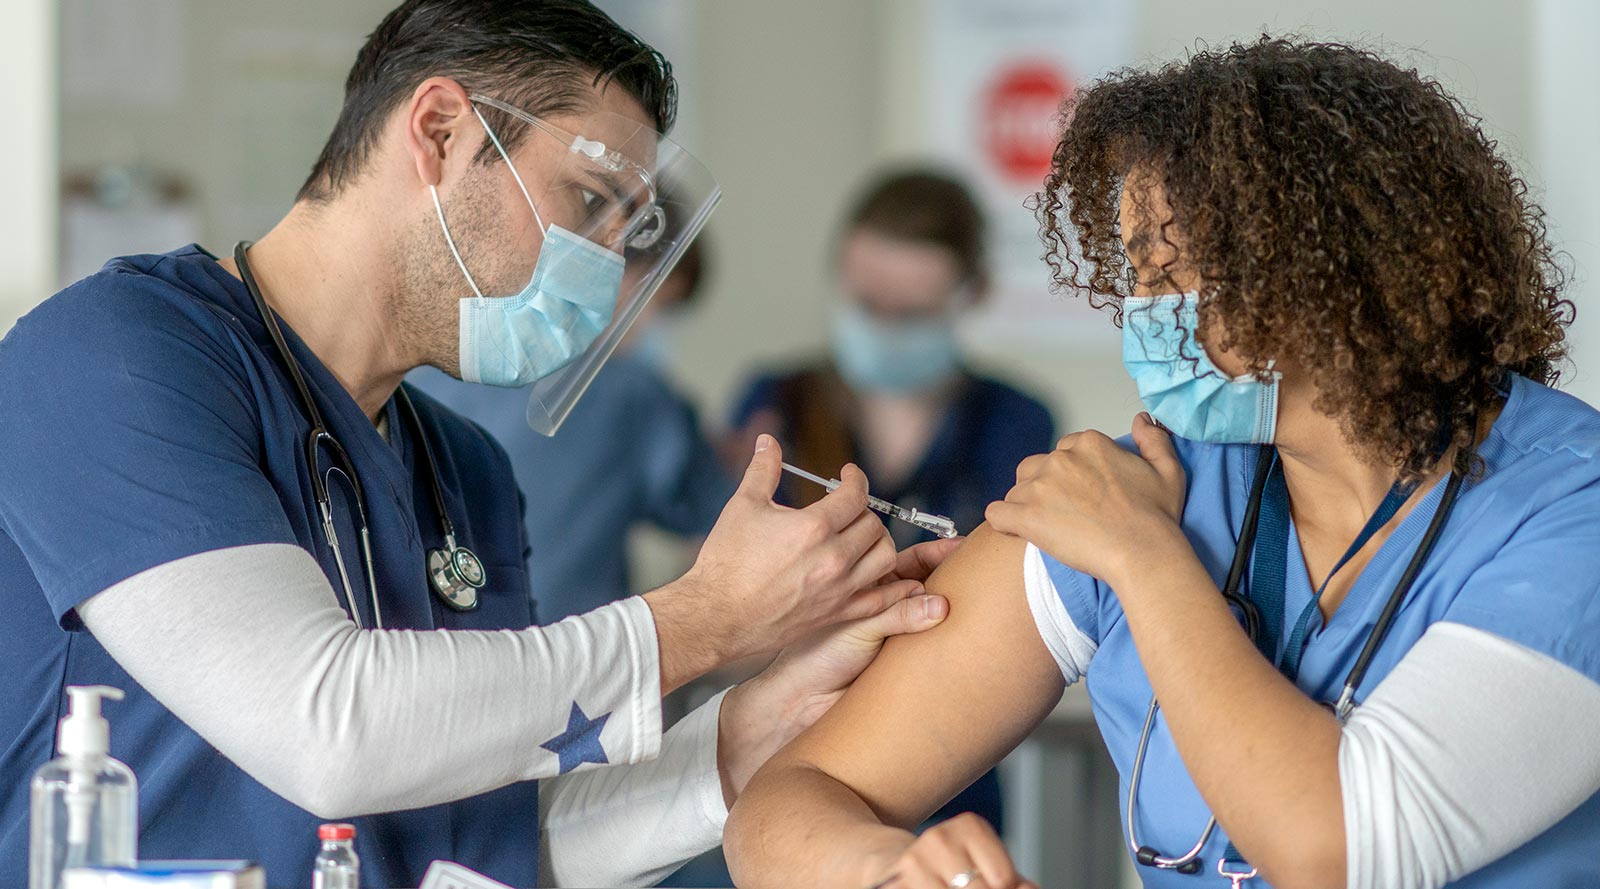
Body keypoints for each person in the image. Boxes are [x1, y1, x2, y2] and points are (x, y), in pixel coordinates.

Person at [0, 3, 961, 887]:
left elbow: (481, 849)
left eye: (627, 232)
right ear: (442, 133)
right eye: (588, 202)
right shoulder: (113, 355)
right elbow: (327, 727)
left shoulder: (464, 472)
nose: (600, 269)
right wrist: (703, 618)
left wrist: (749, 730)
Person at [726, 38, 1600, 889]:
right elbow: (785, 809)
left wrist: (1145, 559)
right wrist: (894, 870)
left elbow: (1341, 851)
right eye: (1137, 274)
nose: (1143, 314)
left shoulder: (1568, 506)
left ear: (1325, 268)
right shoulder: (1151, 480)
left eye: (1166, 272)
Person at [727, 168, 1054, 833]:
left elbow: (1009, 618)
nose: (883, 325)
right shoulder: (775, 403)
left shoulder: (1014, 421)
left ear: (974, 293)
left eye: (911, 314)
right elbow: (727, 602)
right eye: (865, 302)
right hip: (779, 752)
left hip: (945, 760)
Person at [410, 238, 734, 622]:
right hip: (572, 657)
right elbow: (723, 524)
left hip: (430, 636)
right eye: (656, 305)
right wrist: (739, 466)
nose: (649, 326)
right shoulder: (636, 399)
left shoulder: (450, 353)